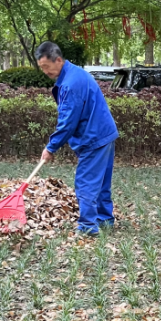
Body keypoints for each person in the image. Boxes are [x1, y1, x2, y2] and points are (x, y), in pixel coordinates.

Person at [37, 42, 119, 236]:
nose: (45, 72)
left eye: (47, 66)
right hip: (104, 133)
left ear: (58, 60)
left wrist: (51, 148)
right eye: (42, 68)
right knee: (101, 182)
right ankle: (104, 220)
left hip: (94, 137)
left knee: (86, 183)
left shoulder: (71, 83)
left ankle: (88, 227)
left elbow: (68, 122)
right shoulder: (74, 73)